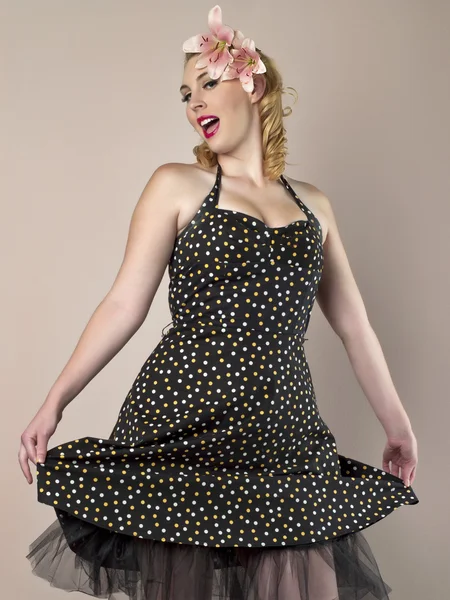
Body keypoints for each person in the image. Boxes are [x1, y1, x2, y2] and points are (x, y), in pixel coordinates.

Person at [19, 5, 419, 599]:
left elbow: (353, 325)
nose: (194, 103)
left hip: (283, 430)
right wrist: (55, 401)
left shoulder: (315, 205)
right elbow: (124, 304)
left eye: (208, 83)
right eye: (185, 93)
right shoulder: (176, 184)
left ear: (252, 84)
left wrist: (397, 425)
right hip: (186, 423)